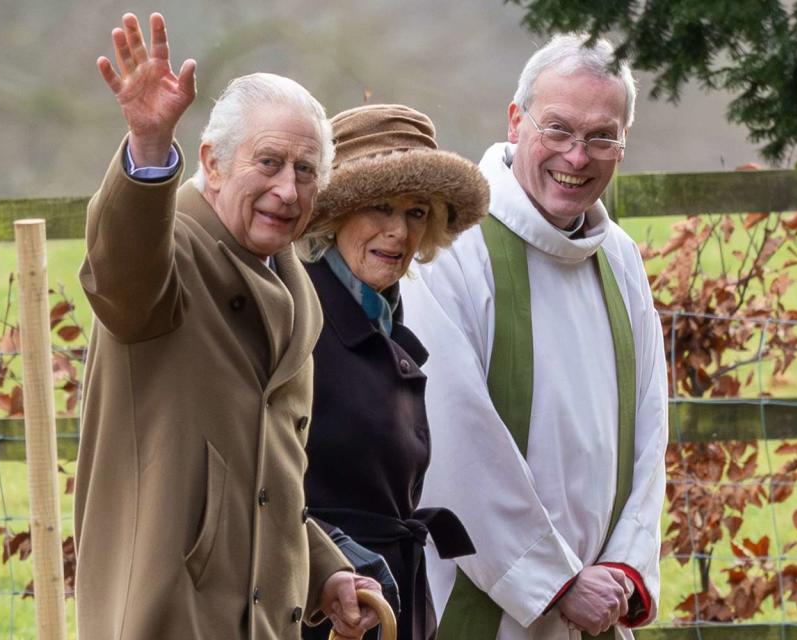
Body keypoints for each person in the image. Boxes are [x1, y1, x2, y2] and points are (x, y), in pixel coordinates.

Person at [74, 13, 381, 640]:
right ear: (211, 163)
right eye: (267, 162)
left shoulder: (294, 284)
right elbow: (120, 277)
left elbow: (264, 477)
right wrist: (149, 150)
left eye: (305, 170)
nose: (287, 190)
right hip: (164, 618)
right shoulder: (170, 252)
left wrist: (324, 570)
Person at [400, 34, 669, 640]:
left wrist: (621, 568)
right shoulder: (452, 247)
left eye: (602, 136)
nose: (577, 157)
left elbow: (651, 429)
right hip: (482, 602)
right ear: (516, 120)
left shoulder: (620, 259)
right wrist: (556, 581)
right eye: (558, 129)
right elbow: (446, 432)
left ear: (623, 144)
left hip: (599, 601)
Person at [296, 104, 486, 640]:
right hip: (328, 609)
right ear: (335, 215)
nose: (398, 231)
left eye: (416, 212)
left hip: (388, 596)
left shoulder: (381, 314)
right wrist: (336, 568)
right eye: (378, 206)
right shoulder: (299, 315)